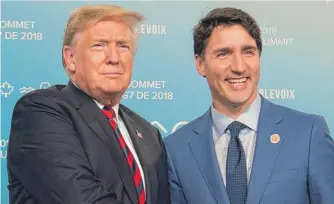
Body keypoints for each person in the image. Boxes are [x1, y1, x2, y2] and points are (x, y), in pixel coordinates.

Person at [164, 7, 334, 204]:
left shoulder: (308, 134)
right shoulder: (177, 149)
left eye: (248, 52)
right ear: (200, 64)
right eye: (223, 54)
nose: (239, 67)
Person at [7, 4, 169, 204]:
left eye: (123, 46)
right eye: (99, 45)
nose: (114, 58)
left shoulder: (149, 133)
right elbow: (81, 198)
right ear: (71, 58)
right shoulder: (40, 112)